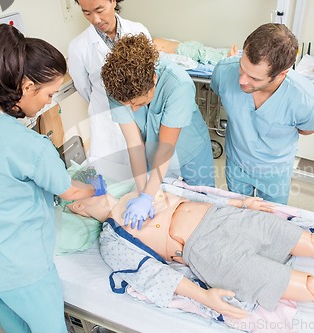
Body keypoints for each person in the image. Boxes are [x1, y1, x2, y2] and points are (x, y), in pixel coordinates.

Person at [65, 184, 314, 332]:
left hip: (229, 218)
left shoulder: (141, 188)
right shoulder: (112, 239)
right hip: (210, 252)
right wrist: (204, 296)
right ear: (78, 209)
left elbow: (190, 194)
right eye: (77, 194)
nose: (89, 186)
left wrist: (240, 202)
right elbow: (150, 276)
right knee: (311, 286)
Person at [0, 24, 107, 333]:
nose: (50, 103)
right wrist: (94, 186)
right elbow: (69, 191)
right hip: (19, 270)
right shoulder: (29, 146)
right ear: (27, 86)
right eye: (50, 94)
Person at [101, 34, 215, 229]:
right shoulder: (116, 88)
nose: (134, 110)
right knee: (162, 201)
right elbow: (134, 144)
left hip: (190, 151)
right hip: (152, 152)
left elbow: (166, 148)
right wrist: (141, 191)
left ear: (154, 79)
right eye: (128, 106)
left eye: (140, 103)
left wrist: (147, 196)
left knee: (204, 206)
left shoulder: (178, 85)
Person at [211, 23, 314, 205]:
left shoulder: (305, 100)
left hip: (275, 172)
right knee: (238, 214)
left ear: (281, 74)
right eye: (242, 67)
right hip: (236, 164)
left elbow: (309, 128)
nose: (242, 81)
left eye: (255, 78)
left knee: (272, 218)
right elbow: (222, 91)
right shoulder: (224, 72)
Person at [68, 0, 151, 164]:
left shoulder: (138, 30)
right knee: (113, 176)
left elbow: (149, 75)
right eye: (87, 13)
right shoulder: (78, 47)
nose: (95, 19)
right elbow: (84, 89)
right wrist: (107, 104)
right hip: (106, 121)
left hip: (140, 115)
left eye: (99, 10)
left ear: (113, 1)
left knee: (147, 170)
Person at [153, 37, 239, 66]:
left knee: (202, 52)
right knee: (201, 52)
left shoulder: (150, 42)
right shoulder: (152, 43)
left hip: (181, 48)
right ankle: (224, 55)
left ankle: (225, 55)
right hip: (182, 47)